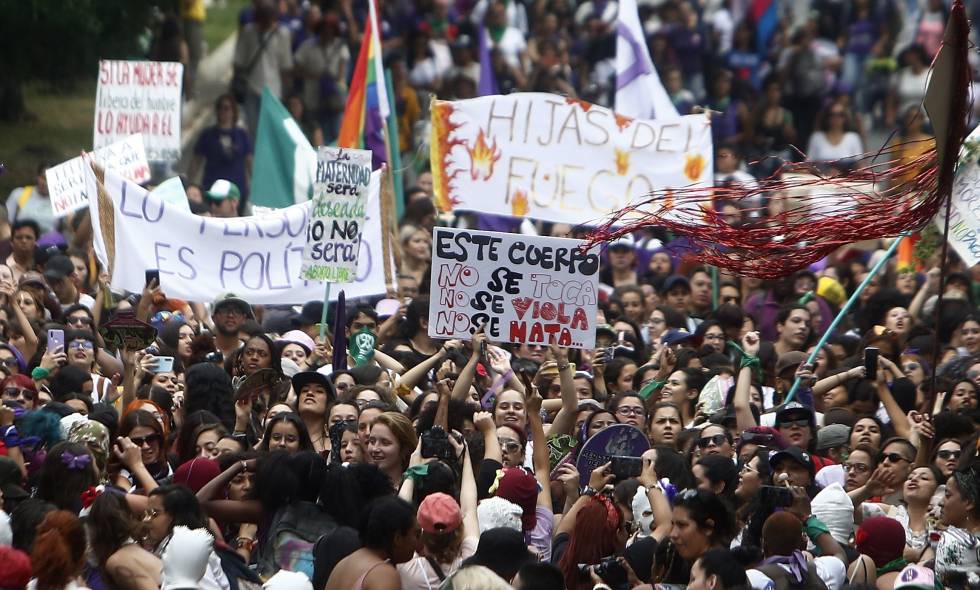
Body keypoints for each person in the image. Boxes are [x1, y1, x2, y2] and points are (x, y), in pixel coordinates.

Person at [325, 496, 420, 590]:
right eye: (417, 535)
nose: (419, 545)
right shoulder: (383, 575)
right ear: (398, 538)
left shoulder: (343, 564)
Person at [190, 95, 253, 212]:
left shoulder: (241, 134)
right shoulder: (208, 134)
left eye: (226, 108)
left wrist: (255, 184)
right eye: (220, 108)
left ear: (234, 111)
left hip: (237, 191)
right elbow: (196, 161)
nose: (222, 111)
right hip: (212, 190)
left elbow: (249, 161)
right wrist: (190, 183)